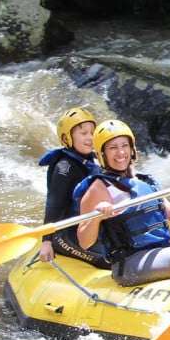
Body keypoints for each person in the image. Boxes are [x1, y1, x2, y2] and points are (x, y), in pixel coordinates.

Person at [74, 120, 170, 287]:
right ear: (102, 154)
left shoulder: (144, 181)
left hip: (158, 252)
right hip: (131, 264)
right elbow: (84, 241)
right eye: (113, 148)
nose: (121, 152)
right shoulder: (98, 188)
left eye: (125, 146)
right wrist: (97, 218)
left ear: (132, 149)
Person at [38, 106, 106, 266]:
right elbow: (54, 204)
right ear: (67, 138)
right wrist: (46, 241)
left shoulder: (92, 160)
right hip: (66, 234)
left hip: (87, 228)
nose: (90, 138)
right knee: (110, 260)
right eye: (83, 134)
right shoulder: (65, 167)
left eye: (92, 133)